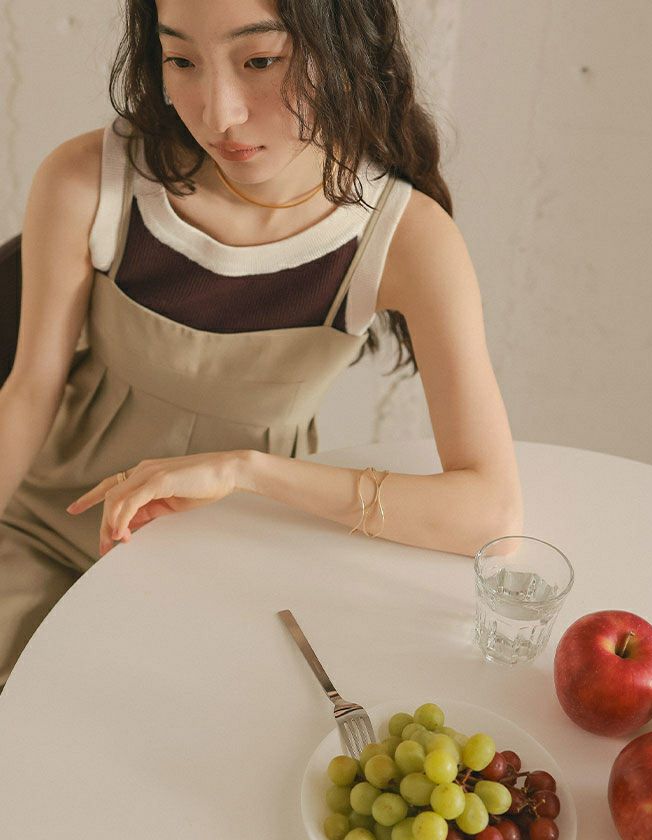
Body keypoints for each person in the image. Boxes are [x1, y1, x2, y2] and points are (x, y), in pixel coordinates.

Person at [0, 0, 523, 692]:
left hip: (233, 561)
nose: (219, 113)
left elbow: (490, 512)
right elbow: (28, 393)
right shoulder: (91, 178)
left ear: (344, 47)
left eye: (260, 61)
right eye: (181, 60)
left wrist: (245, 471)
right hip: (46, 528)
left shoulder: (404, 238)